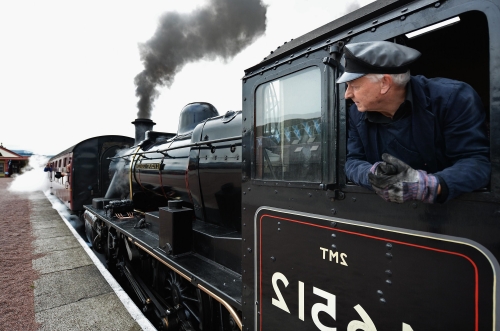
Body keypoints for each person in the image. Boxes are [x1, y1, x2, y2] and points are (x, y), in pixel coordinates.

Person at [338, 41, 490, 203]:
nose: (347, 95)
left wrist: (428, 186)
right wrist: (373, 174)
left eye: (354, 86)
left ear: (384, 83)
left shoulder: (453, 98)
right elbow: (352, 161)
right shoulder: (356, 114)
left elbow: (477, 163)